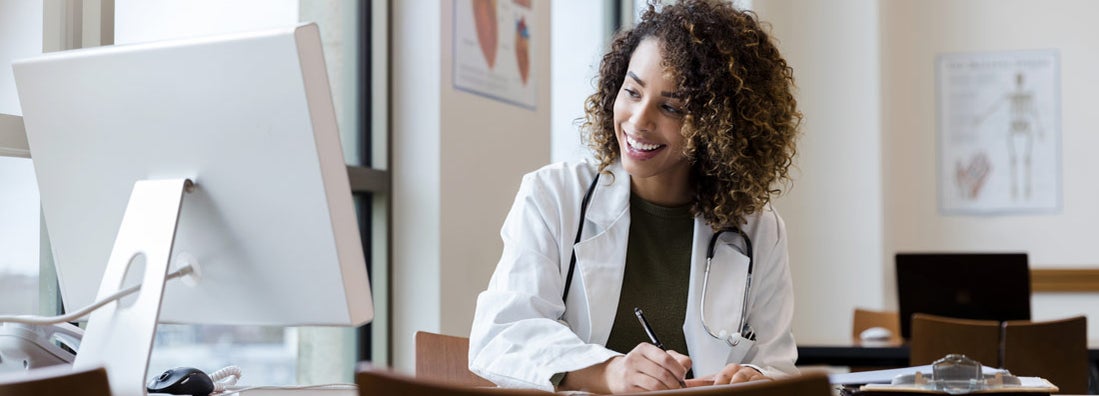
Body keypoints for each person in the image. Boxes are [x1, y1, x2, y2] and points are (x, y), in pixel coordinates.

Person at [469, 0, 801, 393]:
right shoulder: (554, 196)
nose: (639, 120)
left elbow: (776, 363)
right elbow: (503, 334)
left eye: (672, 107)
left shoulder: (758, 229)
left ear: (719, 126)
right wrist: (607, 371)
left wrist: (755, 378)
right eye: (632, 91)